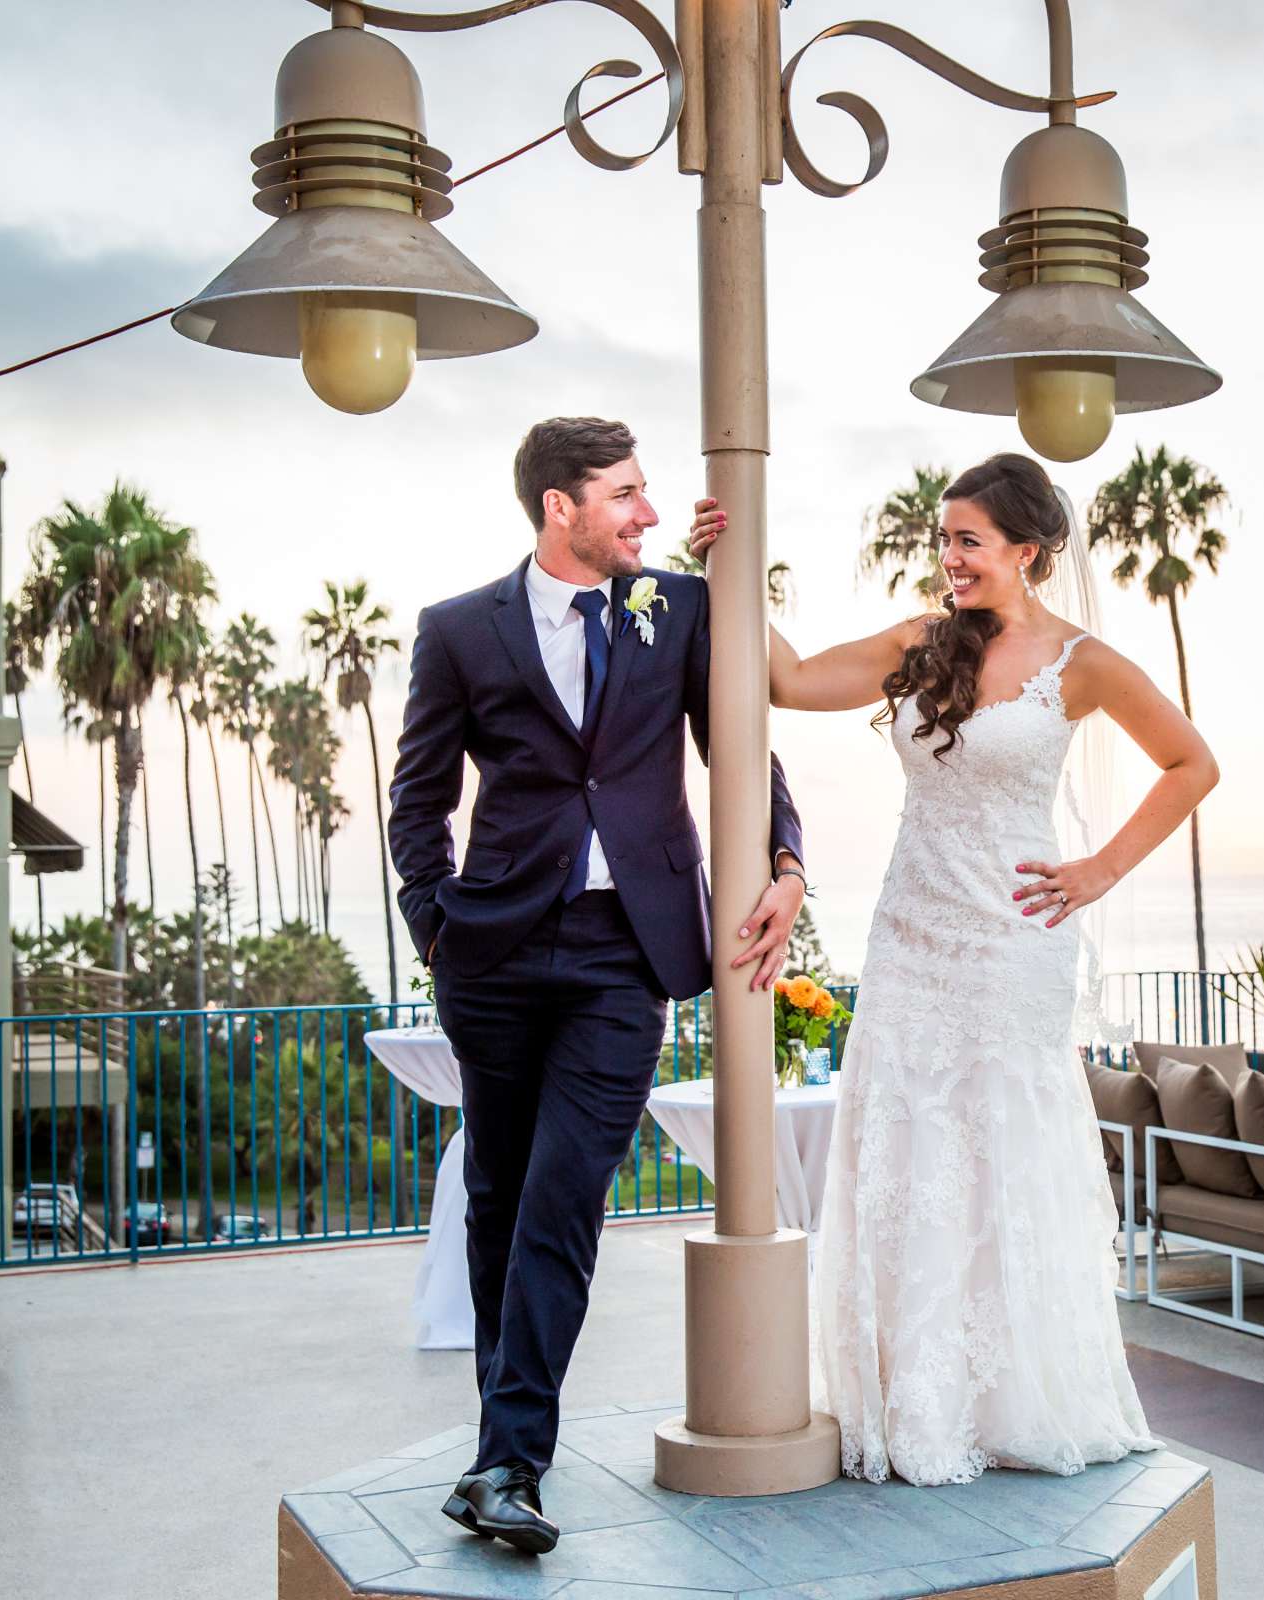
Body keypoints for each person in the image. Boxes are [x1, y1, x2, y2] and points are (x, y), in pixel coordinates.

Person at [705, 451, 1219, 1485]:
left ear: (1026, 549)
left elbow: (1192, 763)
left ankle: (1012, 1397)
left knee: (996, 1150)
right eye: (945, 539)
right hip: (912, 935)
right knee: (908, 1153)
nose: (950, 558)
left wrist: (1097, 871)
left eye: (969, 540)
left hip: (1013, 940)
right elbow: (792, 680)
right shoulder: (922, 643)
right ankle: (917, 1396)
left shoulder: (1081, 662)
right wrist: (730, 567)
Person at [387, 416, 809, 1553]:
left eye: (646, 491)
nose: (648, 513)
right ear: (558, 507)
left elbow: (741, 745)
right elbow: (417, 797)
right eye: (623, 495)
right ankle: (501, 1459)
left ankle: (508, 1458)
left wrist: (785, 860)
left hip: (630, 951)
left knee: (564, 1198)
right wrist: (438, 924)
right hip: (497, 950)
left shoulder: (674, 607)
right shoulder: (458, 630)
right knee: (500, 1201)